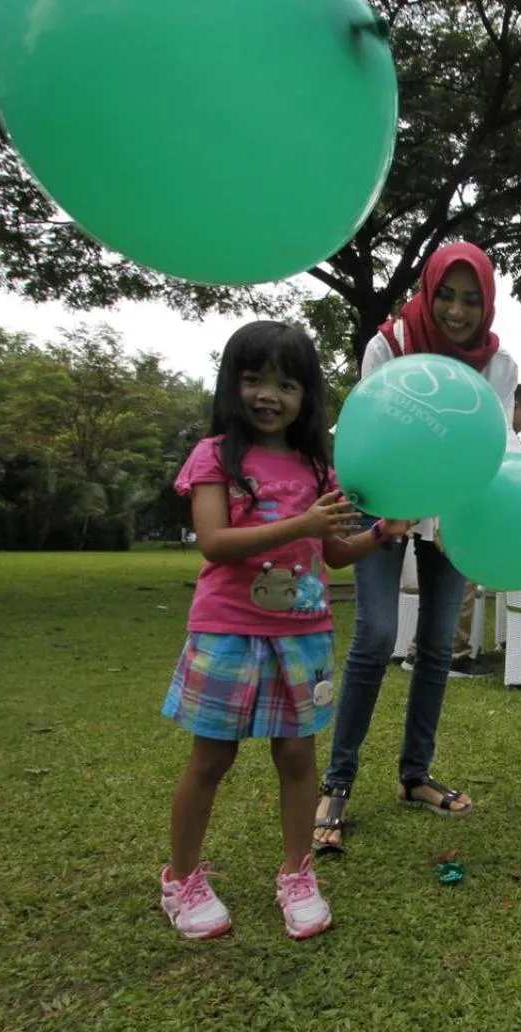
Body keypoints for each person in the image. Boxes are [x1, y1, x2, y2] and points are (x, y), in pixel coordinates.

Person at [159, 321, 408, 940]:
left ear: (306, 397)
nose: (269, 394)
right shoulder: (215, 455)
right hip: (229, 630)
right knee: (211, 757)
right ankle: (181, 878)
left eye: (287, 383)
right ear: (232, 384)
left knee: (297, 756)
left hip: (303, 634)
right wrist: (299, 524)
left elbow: (332, 556)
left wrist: (377, 535)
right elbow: (215, 543)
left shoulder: (319, 469)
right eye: (254, 379)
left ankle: (299, 874)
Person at [314, 243, 521, 853]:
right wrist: (388, 509)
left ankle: (414, 776)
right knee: (375, 634)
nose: (457, 312)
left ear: (486, 304)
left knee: (436, 644)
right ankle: (337, 785)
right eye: (446, 296)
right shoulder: (389, 344)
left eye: (471, 300)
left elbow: (497, 447)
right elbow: (370, 430)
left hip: (456, 509)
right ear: (428, 293)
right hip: (386, 502)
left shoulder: (498, 363)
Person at [405, 382, 521, 675]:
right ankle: (455, 654)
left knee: (439, 592)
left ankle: (419, 651)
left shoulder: (480, 428)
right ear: (514, 405)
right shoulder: (493, 431)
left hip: (443, 517)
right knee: (459, 587)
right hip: (457, 520)